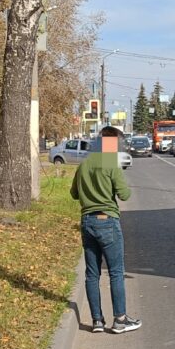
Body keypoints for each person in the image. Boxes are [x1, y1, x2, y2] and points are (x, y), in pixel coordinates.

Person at [70, 126, 140, 334]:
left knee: (92, 274)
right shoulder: (110, 163)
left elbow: (74, 193)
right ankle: (120, 319)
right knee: (116, 272)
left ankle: (97, 321)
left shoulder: (84, 164)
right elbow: (125, 195)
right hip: (107, 221)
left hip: (87, 221)